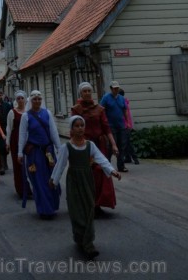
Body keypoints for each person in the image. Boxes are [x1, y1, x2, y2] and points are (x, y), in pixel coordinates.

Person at [50, 115, 121, 258]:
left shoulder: (90, 145)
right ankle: (79, 237)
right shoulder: (67, 147)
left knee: (89, 209)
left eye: (82, 125)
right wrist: (54, 179)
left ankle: (88, 243)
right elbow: (61, 164)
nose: (80, 128)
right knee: (76, 211)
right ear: (71, 129)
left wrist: (112, 170)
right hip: (74, 181)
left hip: (88, 180)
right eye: (76, 126)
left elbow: (101, 158)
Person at [71, 82, 119, 212]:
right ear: (80, 93)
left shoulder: (99, 109)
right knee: (88, 174)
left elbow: (106, 127)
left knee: (102, 172)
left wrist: (113, 144)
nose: (87, 93)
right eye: (84, 91)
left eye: (89, 91)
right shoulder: (77, 109)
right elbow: (73, 130)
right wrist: (75, 146)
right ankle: (88, 203)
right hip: (84, 147)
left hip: (100, 145)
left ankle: (98, 203)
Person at [18, 90, 62, 219]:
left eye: (39, 99)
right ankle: (44, 209)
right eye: (34, 99)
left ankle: (52, 206)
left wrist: (59, 149)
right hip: (35, 154)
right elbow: (22, 135)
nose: (37, 101)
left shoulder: (47, 113)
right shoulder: (26, 116)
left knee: (52, 178)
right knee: (39, 180)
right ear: (30, 101)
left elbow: (53, 132)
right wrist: (20, 152)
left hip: (48, 152)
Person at [100, 81, 129, 173]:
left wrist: (127, 122)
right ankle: (107, 164)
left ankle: (121, 165)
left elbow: (125, 110)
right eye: (114, 88)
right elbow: (101, 109)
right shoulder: (106, 98)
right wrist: (103, 122)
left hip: (121, 125)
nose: (116, 90)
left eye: (117, 88)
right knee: (112, 145)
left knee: (122, 145)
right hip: (110, 125)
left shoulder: (121, 98)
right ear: (111, 88)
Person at [6, 90, 28, 198]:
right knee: (18, 165)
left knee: (29, 165)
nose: (20, 100)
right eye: (18, 98)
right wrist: (7, 142)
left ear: (25, 99)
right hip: (15, 140)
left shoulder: (28, 112)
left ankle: (30, 188)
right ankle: (21, 189)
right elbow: (9, 128)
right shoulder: (12, 112)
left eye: (22, 98)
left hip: (28, 141)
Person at [118, 88, 139, 165]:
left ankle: (135, 158)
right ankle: (128, 158)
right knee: (125, 142)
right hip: (126, 124)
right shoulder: (124, 101)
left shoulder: (122, 102)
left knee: (127, 143)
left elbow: (125, 115)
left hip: (125, 125)